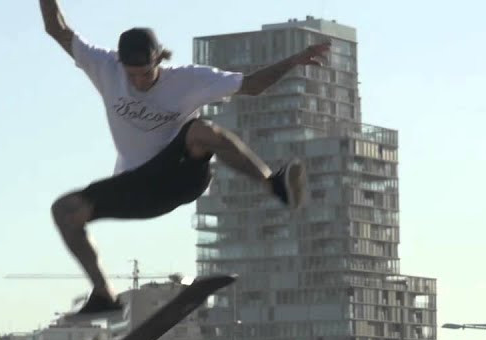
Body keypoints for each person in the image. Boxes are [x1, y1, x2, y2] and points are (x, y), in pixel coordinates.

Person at [38, 0, 328, 314]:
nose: (138, 82)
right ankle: (103, 294)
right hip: (137, 187)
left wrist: (294, 61)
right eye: (131, 75)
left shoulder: (189, 79)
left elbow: (253, 85)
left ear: (158, 60)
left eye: (145, 74)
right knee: (63, 210)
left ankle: (274, 184)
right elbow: (57, 28)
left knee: (199, 130)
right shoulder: (104, 66)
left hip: (181, 174)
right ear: (120, 64)